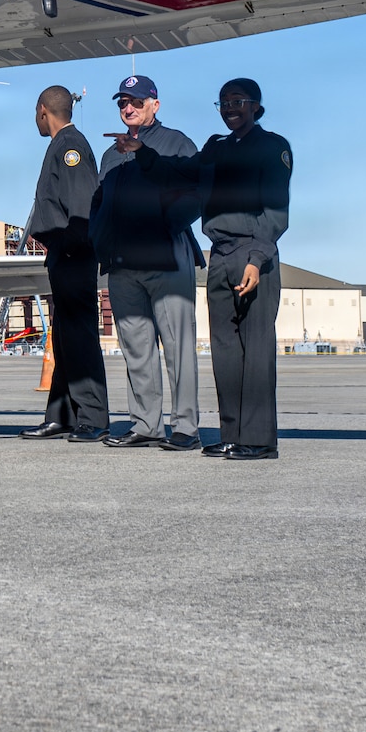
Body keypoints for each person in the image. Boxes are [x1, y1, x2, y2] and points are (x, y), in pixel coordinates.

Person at [118, 77, 292, 461]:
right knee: (226, 351)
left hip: (253, 254)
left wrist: (257, 259)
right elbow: (180, 171)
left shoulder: (273, 147)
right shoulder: (215, 147)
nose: (230, 108)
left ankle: (260, 440)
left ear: (256, 107)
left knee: (256, 350)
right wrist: (140, 151)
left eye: (238, 102)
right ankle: (232, 434)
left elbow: (277, 212)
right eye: (224, 103)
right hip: (220, 255)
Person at [92, 75, 203, 451]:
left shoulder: (177, 144)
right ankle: (145, 425)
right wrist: (100, 244)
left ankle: (185, 427)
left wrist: (166, 224)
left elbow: (197, 191)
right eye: (123, 101)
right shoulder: (111, 155)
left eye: (136, 101)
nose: (128, 108)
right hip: (123, 265)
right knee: (136, 349)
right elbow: (99, 206)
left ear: (155, 104)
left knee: (178, 347)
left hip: (166, 258)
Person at [19, 85, 109, 442]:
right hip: (63, 254)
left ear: (43, 110)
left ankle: (93, 416)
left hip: (74, 254)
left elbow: (83, 207)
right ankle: (62, 414)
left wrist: (71, 248)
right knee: (66, 337)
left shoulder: (70, 146)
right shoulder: (60, 145)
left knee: (81, 337)